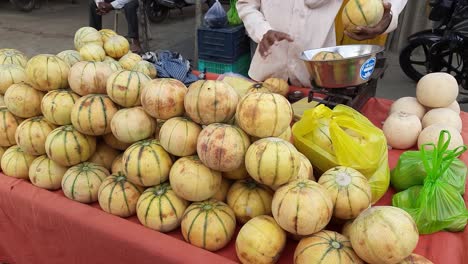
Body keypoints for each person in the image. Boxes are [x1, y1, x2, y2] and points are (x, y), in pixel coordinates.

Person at [237, 0, 408, 87]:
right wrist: (262, 30)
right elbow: (246, 4)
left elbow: (388, 5)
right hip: (266, 72)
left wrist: (388, 12)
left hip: (316, 77)